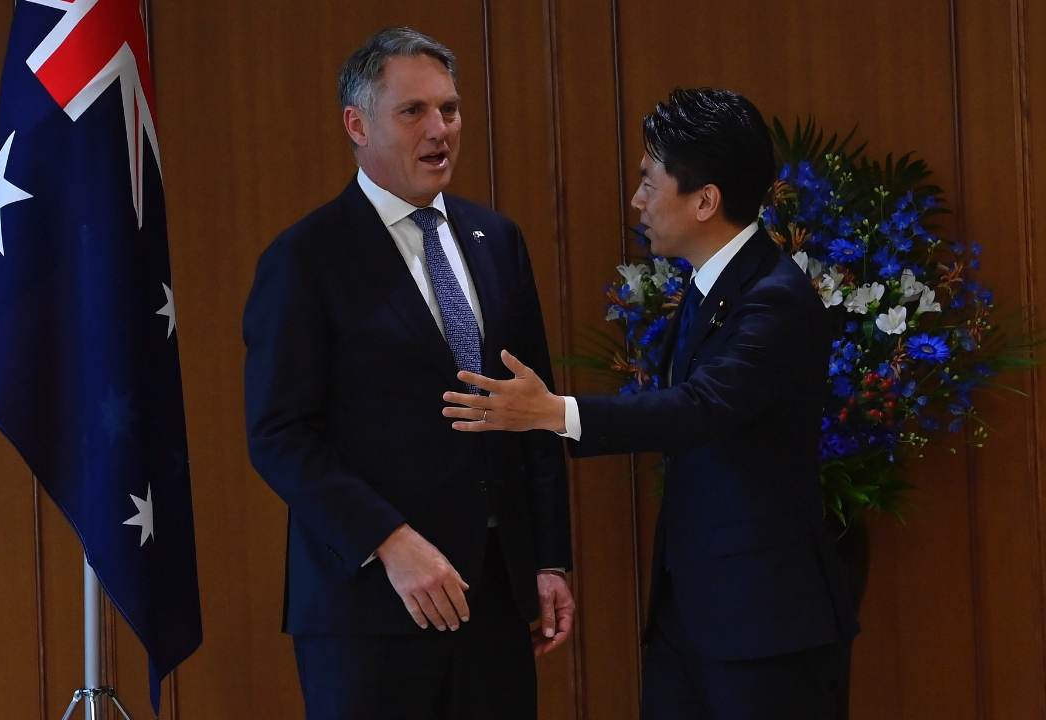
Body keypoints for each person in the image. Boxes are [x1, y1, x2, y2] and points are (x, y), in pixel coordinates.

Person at [442, 88, 860, 720]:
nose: (636, 199)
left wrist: (554, 412)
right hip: (691, 616)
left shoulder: (774, 299)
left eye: (648, 180)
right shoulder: (708, 286)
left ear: (705, 200)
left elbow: (697, 409)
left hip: (763, 624)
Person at [243, 27, 574, 720]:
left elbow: (534, 414)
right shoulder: (306, 258)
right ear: (356, 125)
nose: (440, 130)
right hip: (369, 606)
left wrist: (549, 560)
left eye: (449, 109)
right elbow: (279, 434)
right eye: (414, 111)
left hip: (493, 597)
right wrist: (389, 542)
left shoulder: (497, 241)